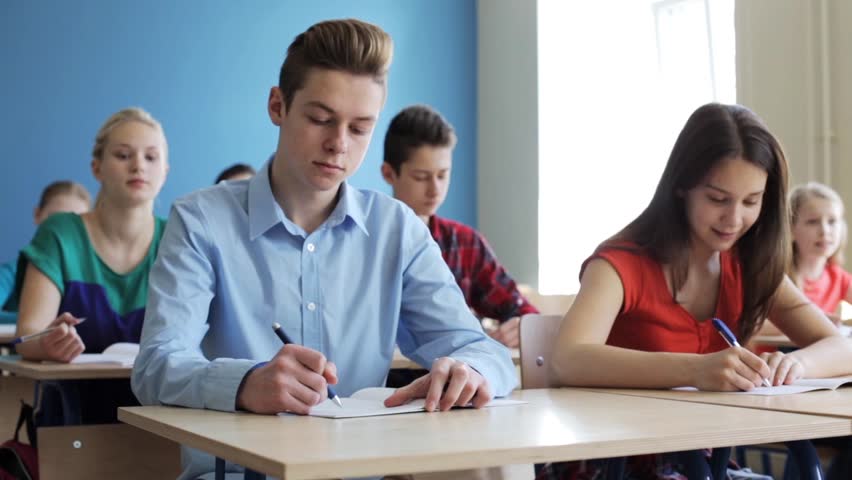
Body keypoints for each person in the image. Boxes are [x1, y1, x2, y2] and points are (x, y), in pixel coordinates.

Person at [131, 18, 516, 480]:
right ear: (278, 105)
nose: (338, 144)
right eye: (320, 119)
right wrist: (245, 383)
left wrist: (471, 371)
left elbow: (480, 349)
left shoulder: (398, 229)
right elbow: (155, 365)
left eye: (360, 128)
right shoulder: (200, 221)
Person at [543, 103, 852, 479]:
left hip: (703, 462)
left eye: (751, 202)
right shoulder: (619, 263)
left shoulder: (748, 262)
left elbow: (842, 347)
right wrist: (695, 369)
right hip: (615, 461)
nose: (734, 219)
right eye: (717, 199)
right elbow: (567, 358)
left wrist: (797, 364)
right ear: (681, 187)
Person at [5, 107, 169, 425]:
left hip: (163, 418)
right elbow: (26, 338)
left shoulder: (178, 237)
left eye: (151, 157)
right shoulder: (61, 234)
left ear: (165, 171)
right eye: (123, 155)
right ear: (97, 168)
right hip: (71, 419)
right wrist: (48, 342)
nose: (138, 166)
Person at [381, 105, 538, 348]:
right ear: (389, 174)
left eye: (443, 175)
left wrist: (521, 327)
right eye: (421, 177)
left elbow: (521, 310)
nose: (435, 189)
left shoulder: (465, 243)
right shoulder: (367, 242)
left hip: (456, 379)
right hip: (382, 381)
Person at [0, 181, 91, 324]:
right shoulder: (11, 272)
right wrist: (39, 318)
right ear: (37, 214)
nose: (63, 232)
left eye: (75, 224)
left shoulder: (91, 283)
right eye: (55, 220)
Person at [789, 182, 852, 324]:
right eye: (812, 222)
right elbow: (755, 325)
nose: (824, 231)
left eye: (832, 221)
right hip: (780, 347)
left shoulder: (838, 278)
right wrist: (817, 321)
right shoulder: (779, 278)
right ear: (791, 229)